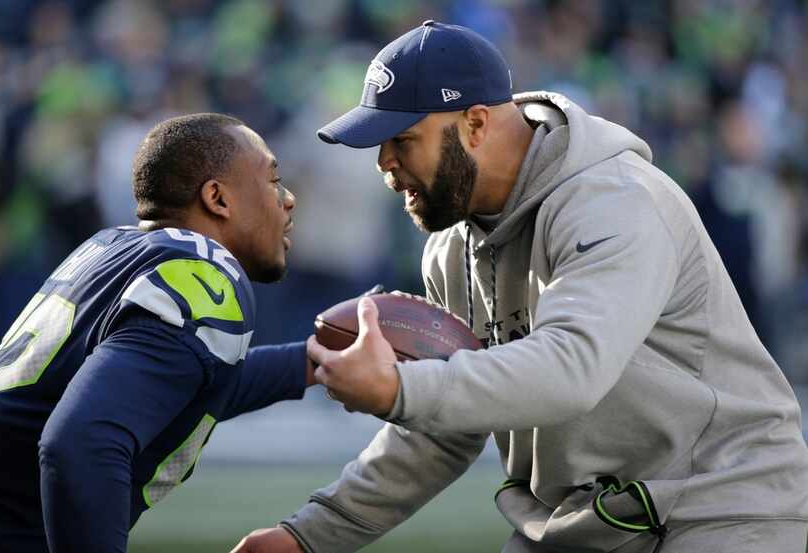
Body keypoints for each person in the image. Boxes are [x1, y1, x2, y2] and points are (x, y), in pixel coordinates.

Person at [232, 21, 808, 553]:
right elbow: (443, 430)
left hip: (722, 510)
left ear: (476, 123)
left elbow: (571, 367)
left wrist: (395, 389)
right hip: (581, 524)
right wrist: (307, 537)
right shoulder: (450, 246)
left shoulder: (614, 200)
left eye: (402, 140)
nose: (385, 164)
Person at [0, 113, 313, 553]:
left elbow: (164, 386)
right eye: (273, 180)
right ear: (217, 198)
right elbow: (81, 441)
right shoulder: (207, 274)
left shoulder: (112, 245)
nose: (287, 200)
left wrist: (312, 360)